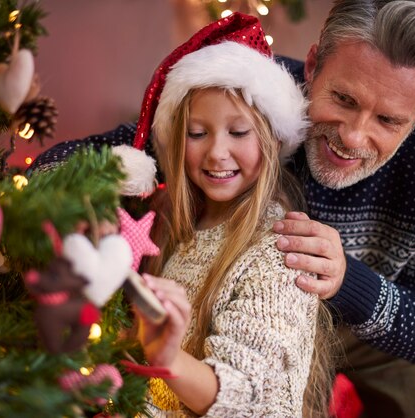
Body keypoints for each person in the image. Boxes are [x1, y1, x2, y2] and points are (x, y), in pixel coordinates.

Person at [29, 1, 415, 417]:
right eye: (343, 100)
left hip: (377, 333)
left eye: (387, 120)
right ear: (312, 67)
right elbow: (107, 151)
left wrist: (349, 281)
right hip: (246, 298)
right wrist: (71, 193)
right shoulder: (253, 95)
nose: (352, 136)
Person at [125, 14, 333, 417]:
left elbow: (254, 401)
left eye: (238, 133)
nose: (217, 153)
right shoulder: (173, 227)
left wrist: (166, 355)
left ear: (272, 140)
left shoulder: (278, 255)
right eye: (198, 134)